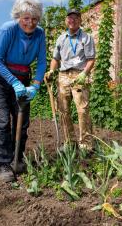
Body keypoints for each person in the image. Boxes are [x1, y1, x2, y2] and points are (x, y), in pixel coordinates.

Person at [0, 0, 46, 182]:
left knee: (23, 119)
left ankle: (17, 158)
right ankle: (2, 163)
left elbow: (42, 62)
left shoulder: (40, 33)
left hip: (22, 76)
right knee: (2, 119)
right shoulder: (8, 29)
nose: (30, 23)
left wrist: (35, 85)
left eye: (34, 19)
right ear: (18, 16)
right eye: (26, 18)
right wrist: (13, 82)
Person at [45, 9, 95, 148]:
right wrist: (51, 71)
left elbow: (91, 59)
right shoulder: (61, 38)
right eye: (69, 18)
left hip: (79, 74)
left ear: (80, 20)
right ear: (66, 21)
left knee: (82, 109)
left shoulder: (86, 37)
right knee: (63, 110)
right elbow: (55, 58)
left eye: (75, 18)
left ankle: (85, 143)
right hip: (63, 76)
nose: (72, 20)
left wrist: (84, 73)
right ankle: (70, 141)